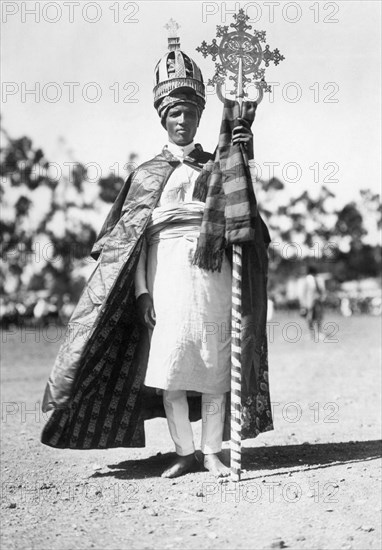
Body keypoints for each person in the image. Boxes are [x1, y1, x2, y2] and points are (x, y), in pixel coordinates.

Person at [41, 25, 273, 478]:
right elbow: (134, 240)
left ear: (199, 115)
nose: (181, 120)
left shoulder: (219, 164)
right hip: (164, 276)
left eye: (189, 112)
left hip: (215, 274)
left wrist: (244, 152)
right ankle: (183, 451)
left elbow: (241, 213)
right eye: (174, 114)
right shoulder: (147, 174)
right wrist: (143, 292)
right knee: (169, 365)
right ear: (162, 118)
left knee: (214, 366)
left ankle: (211, 450)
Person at [300, 265, 325, 340]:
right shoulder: (307, 279)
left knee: (319, 317)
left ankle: (319, 332)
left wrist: (322, 297)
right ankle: (312, 333)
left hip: (318, 301)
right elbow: (303, 292)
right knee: (309, 318)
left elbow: (322, 290)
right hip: (309, 302)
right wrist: (303, 304)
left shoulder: (319, 279)